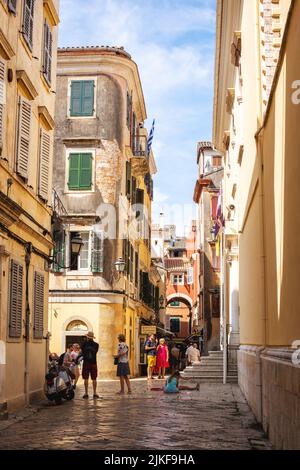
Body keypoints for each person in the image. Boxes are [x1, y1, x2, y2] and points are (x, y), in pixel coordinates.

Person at [80, 331, 99, 399]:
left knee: (86, 378)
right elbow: (95, 352)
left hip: (86, 363)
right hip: (93, 362)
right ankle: (94, 393)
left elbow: (82, 351)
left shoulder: (83, 344)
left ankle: (86, 393)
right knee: (94, 378)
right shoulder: (96, 345)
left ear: (87, 337)